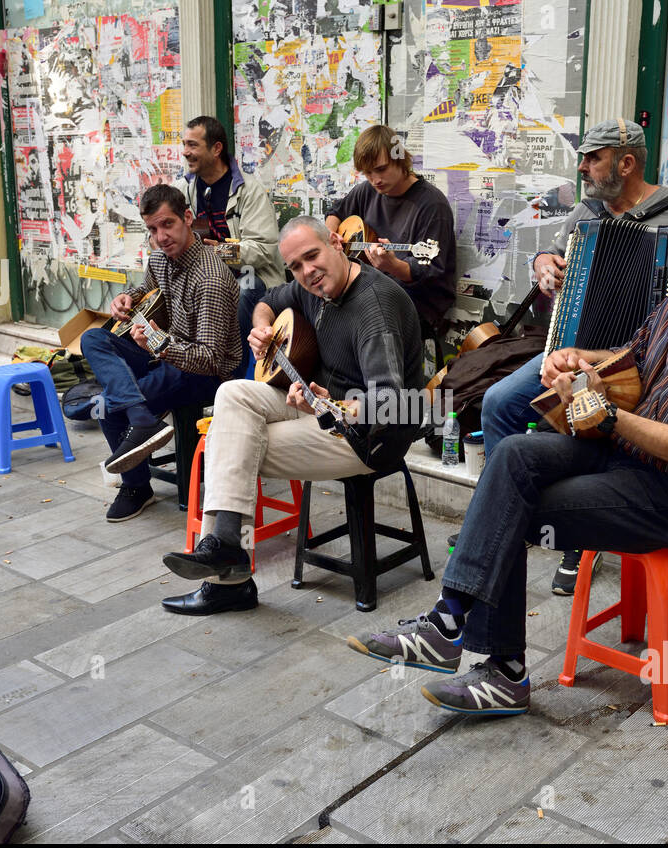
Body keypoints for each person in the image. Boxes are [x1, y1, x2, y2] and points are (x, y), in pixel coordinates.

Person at [348, 183, 668, 716]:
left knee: (509, 509)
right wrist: (579, 359)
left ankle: (498, 667)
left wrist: (609, 415)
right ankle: (450, 626)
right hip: (628, 457)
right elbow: (633, 359)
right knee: (511, 456)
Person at [159, 216, 426, 616]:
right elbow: (267, 301)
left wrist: (329, 405)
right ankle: (228, 550)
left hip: (370, 437)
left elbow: (386, 403)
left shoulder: (374, 307)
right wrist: (261, 328)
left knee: (229, 444)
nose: (307, 272)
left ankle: (227, 575)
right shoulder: (312, 288)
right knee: (231, 394)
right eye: (296, 266)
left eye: (312, 257)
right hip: (319, 409)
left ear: (337, 243)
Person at [482, 118, 668, 595]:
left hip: (637, 364)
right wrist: (544, 267)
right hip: (569, 350)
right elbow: (549, 260)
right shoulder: (587, 212)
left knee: (590, 418)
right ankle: (504, 520)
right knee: (498, 403)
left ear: (627, 162)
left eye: (592, 158)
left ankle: (578, 538)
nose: (582, 168)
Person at [82, 183, 242, 522]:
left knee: (111, 404)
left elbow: (210, 358)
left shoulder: (210, 278)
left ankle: (137, 486)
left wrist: (159, 344)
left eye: (167, 224)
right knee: (94, 339)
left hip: (206, 374)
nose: (161, 236)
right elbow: (146, 292)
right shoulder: (160, 260)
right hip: (164, 353)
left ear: (187, 218)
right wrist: (126, 299)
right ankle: (141, 418)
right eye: (153, 229)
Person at [325, 124, 458, 337]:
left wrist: (394, 266)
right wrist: (330, 236)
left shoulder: (433, 205)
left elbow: (431, 271)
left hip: (418, 303)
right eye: (367, 173)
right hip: (371, 290)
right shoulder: (367, 190)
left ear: (399, 159)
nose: (375, 180)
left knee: (350, 320)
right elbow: (336, 212)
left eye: (381, 169)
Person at [176, 115, 284, 367]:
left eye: (193, 145)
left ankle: (241, 370)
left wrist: (221, 252)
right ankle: (188, 370)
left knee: (244, 288)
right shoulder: (183, 189)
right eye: (184, 144)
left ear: (216, 149)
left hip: (251, 277)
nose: (185, 152)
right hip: (206, 279)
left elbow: (264, 250)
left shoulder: (249, 190)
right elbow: (160, 230)